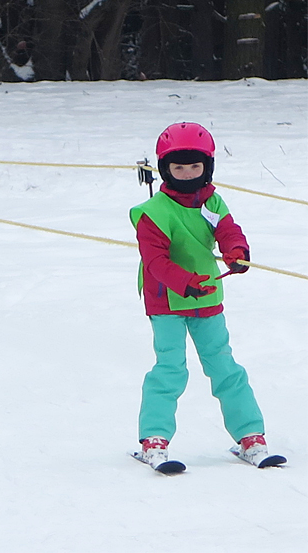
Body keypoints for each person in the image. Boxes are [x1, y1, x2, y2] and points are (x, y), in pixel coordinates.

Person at [129, 122, 283, 470]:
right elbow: (155, 262)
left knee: (224, 365)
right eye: (177, 167)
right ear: (165, 169)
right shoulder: (153, 213)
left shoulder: (211, 201)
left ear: (207, 167)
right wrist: (185, 282)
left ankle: (250, 435)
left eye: (194, 166)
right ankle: (154, 438)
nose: (186, 174)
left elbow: (227, 230)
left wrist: (236, 251)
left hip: (206, 297)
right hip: (167, 299)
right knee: (170, 368)